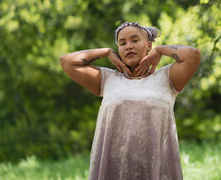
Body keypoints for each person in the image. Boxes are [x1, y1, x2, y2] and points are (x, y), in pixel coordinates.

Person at [60, 22, 201, 180]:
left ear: (148, 45)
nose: (128, 46)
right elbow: (67, 61)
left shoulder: (167, 77)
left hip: (156, 167)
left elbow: (192, 54)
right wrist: (106, 52)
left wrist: (160, 50)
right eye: (122, 43)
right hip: (114, 166)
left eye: (134, 40)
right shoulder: (107, 79)